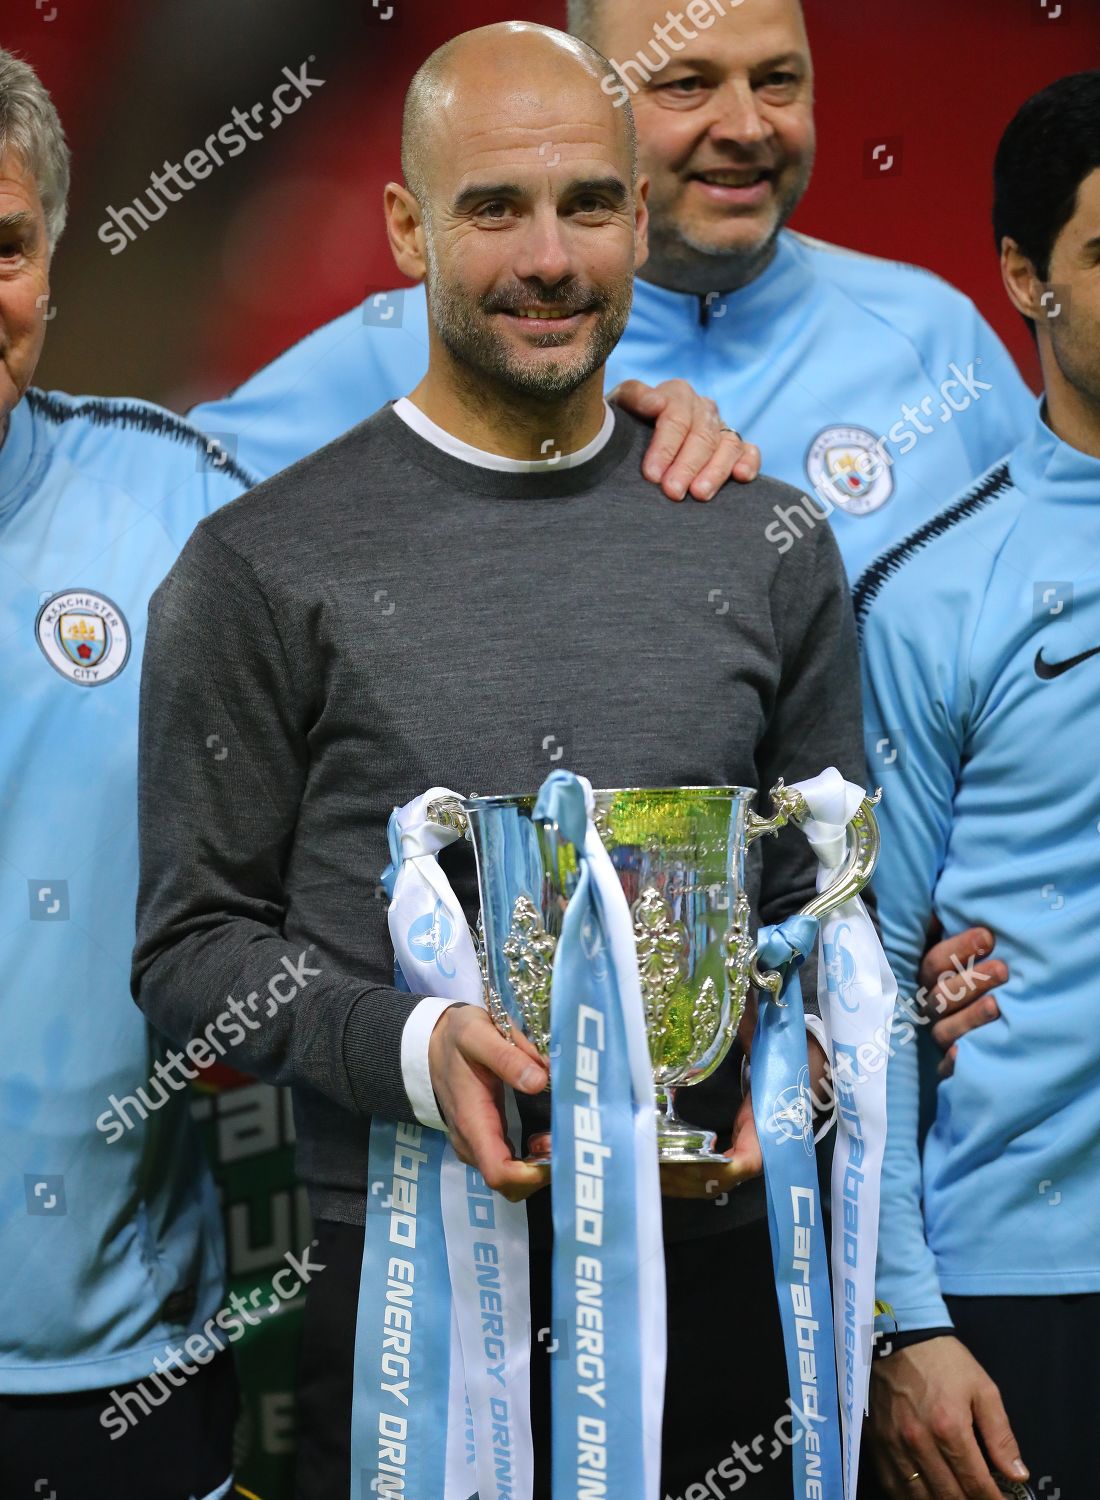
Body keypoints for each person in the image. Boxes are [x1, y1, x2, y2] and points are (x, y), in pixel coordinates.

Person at [132, 23, 866, 1497]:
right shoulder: (259, 565)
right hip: (390, 1285)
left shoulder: (767, 542)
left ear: (639, 221)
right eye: (494, 209)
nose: (549, 258)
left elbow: (820, 905)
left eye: (587, 205)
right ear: (407, 229)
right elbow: (190, 952)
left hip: (716, 1273)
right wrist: (412, 1050)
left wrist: (801, 1070)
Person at [190, 0, 1016, 1027]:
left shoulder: (934, 342)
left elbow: (1050, 654)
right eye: (686, 83)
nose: (744, 124)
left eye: (777, 81)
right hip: (479, 1046)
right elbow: (162, 545)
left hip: (877, 1023)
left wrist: (998, 913)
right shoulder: (403, 345)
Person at [0, 49, 249, 1498]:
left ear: (51, 268)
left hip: (117, 1378)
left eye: (4, 247)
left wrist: (590, 420)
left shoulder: (175, 507)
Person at [859, 70, 1100, 1500]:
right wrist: (904, 1315)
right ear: (1024, 278)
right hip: (1029, 1282)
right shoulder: (936, 595)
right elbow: (869, 984)